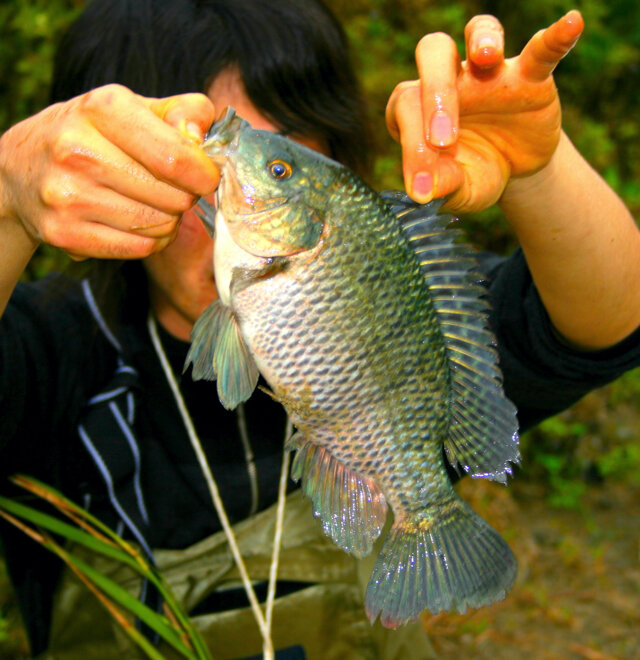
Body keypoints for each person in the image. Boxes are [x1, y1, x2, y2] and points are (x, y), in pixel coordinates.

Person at [0, 1, 639, 658]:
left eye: (282, 159)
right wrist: (6, 197)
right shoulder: (50, 348)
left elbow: (609, 322)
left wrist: (538, 168)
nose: (218, 178)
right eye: (183, 157)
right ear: (89, 170)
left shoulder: (386, 281)